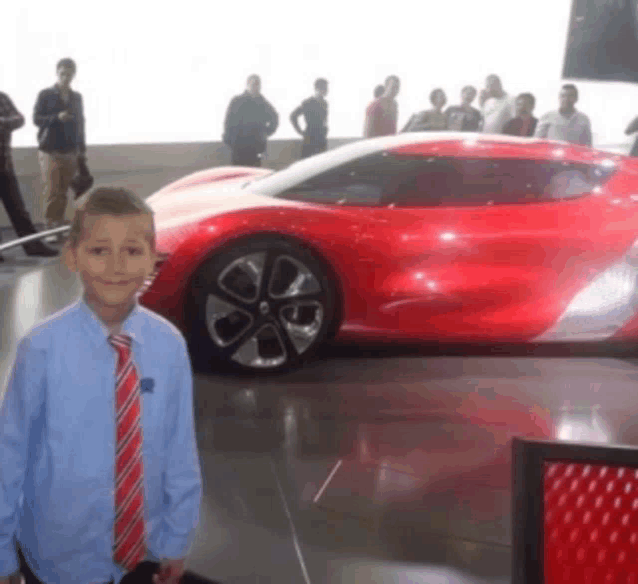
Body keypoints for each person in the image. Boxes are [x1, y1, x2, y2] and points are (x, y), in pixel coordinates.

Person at [0, 186, 203, 584]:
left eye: (131, 250)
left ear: (152, 259)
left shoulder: (169, 346)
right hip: (57, 554)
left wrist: (176, 540)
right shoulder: (40, 349)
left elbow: (180, 449)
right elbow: (10, 455)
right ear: (72, 256)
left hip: (141, 550)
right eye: (98, 250)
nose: (116, 266)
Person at [33, 58, 87, 242]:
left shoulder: (76, 97)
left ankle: (58, 227)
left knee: (63, 190)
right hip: (50, 149)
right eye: (63, 73)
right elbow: (36, 119)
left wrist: (82, 149)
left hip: (70, 149)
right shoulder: (45, 94)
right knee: (52, 190)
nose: (66, 77)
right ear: (57, 72)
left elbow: (81, 123)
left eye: (70, 73)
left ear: (74, 74)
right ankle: (50, 227)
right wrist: (57, 117)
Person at [0, 92, 58, 261]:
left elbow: (19, 119)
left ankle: (33, 245)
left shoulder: (2, 97)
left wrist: (1, 122)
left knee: (18, 210)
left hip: (4, 166)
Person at [222, 74, 279, 167]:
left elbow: (275, 118)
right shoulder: (237, 100)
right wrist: (228, 140)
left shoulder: (262, 102)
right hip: (238, 145)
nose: (256, 87)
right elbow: (228, 121)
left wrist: (265, 133)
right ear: (247, 85)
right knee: (238, 174)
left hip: (255, 146)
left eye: (258, 85)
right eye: (253, 84)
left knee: (254, 174)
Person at [290, 78, 329, 159]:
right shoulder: (308, 103)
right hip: (310, 138)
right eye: (325, 88)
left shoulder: (324, 103)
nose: (327, 91)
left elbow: (324, 120)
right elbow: (293, 116)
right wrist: (300, 131)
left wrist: (325, 129)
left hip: (321, 139)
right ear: (318, 89)